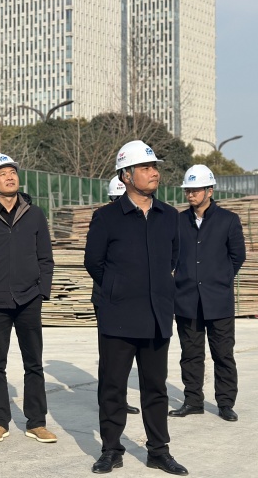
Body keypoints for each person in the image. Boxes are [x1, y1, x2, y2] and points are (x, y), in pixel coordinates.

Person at [84, 140, 188, 475]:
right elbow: (93, 262)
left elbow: (173, 258)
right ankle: (110, 449)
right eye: (145, 167)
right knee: (112, 387)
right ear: (126, 175)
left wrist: (157, 288)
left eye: (154, 166)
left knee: (155, 388)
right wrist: (118, 289)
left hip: (157, 315)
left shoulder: (169, 216)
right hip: (118, 316)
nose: (154, 172)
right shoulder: (106, 217)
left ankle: (158, 450)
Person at [0, 153, 57, 444]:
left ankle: (36, 422)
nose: (9, 177)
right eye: (2, 173)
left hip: (29, 298)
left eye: (13, 172)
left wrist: (42, 291)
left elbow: (46, 257)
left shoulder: (35, 214)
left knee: (34, 363)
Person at [170, 165, 245, 422]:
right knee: (190, 355)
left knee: (223, 354)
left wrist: (220, 279)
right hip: (187, 299)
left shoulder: (228, 220)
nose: (190, 194)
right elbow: (171, 255)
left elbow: (238, 256)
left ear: (209, 191)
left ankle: (225, 403)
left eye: (195, 189)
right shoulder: (178, 221)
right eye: (187, 190)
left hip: (218, 300)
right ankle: (193, 401)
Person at [91, 176, 139, 416]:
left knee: (126, 354)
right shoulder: (104, 219)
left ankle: (120, 399)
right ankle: (109, 400)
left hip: (132, 298)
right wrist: (112, 285)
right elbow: (94, 261)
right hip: (106, 297)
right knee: (110, 355)